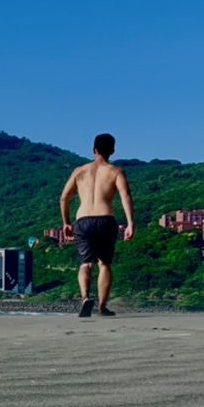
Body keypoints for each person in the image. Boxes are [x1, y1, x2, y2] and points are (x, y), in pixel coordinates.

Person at [59, 133, 135, 317]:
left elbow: (64, 197)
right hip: (106, 220)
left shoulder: (79, 171)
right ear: (112, 150)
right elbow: (125, 196)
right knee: (105, 264)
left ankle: (85, 297)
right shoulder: (116, 171)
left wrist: (66, 222)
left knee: (85, 264)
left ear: (93, 149)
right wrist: (131, 223)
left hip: (83, 220)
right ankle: (102, 307)